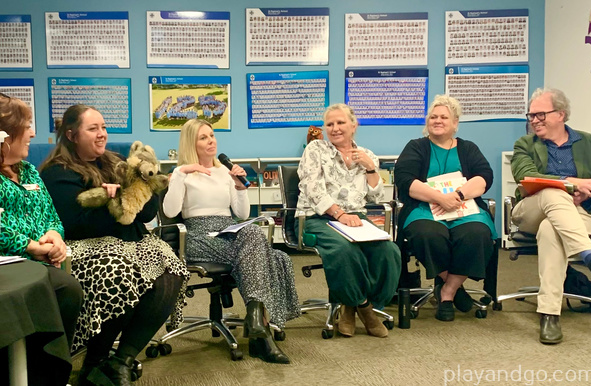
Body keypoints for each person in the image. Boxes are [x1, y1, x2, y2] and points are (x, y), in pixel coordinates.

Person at [39, 104, 189, 385]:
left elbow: (145, 215)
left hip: (131, 244)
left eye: (104, 127)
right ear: (72, 135)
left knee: (172, 269)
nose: (102, 134)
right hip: (85, 248)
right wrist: (116, 204)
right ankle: (94, 361)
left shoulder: (118, 161)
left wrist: (147, 181)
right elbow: (76, 224)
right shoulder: (57, 173)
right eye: (93, 128)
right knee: (120, 271)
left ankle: (121, 361)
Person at [162, 118, 299, 364]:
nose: (211, 141)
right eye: (203, 137)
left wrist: (239, 187)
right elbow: (170, 212)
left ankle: (258, 324)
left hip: (228, 230)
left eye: (212, 135)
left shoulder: (224, 171)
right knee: (269, 254)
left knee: (260, 238)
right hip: (197, 235)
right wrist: (181, 174)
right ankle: (259, 330)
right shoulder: (181, 174)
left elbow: (243, 214)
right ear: (191, 143)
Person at [511, 88, 591, 344]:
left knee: (551, 230)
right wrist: (572, 182)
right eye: (531, 115)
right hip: (531, 209)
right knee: (553, 192)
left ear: (561, 114)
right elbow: (527, 177)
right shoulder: (525, 144)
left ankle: (549, 314)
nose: (534, 120)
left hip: (577, 212)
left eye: (540, 114)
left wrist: (588, 197)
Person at [296, 103, 401, 338]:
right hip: (317, 217)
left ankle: (353, 305)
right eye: (330, 124)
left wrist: (371, 168)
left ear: (354, 125)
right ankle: (364, 309)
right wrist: (339, 214)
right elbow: (312, 189)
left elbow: (375, 197)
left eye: (341, 122)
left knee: (389, 251)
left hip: (356, 218)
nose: (335, 128)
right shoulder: (316, 149)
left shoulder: (367, 155)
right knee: (345, 251)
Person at [0, 94, 83, 385]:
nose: (33, 133)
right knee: (63, 288)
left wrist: (55, 236)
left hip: (42, 260)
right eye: (26, 126)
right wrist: (32, 246)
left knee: (67, 290)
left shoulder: (29, 170)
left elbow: (51, 214)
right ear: (6, 134)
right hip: (12, 264)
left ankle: (46, 374)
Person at [394, 94, 496, 322]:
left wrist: (457, 196)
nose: (437, 120)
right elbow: (404, 180)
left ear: (455, 123)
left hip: (464, 208)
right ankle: (455, 287)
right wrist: (439, 198)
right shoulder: (416, 147)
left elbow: (485, 177)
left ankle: (447, 291)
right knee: (427, 234)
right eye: (433, 117)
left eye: (443, 117)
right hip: (424, 209)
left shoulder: (468, 148)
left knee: (476, 234)